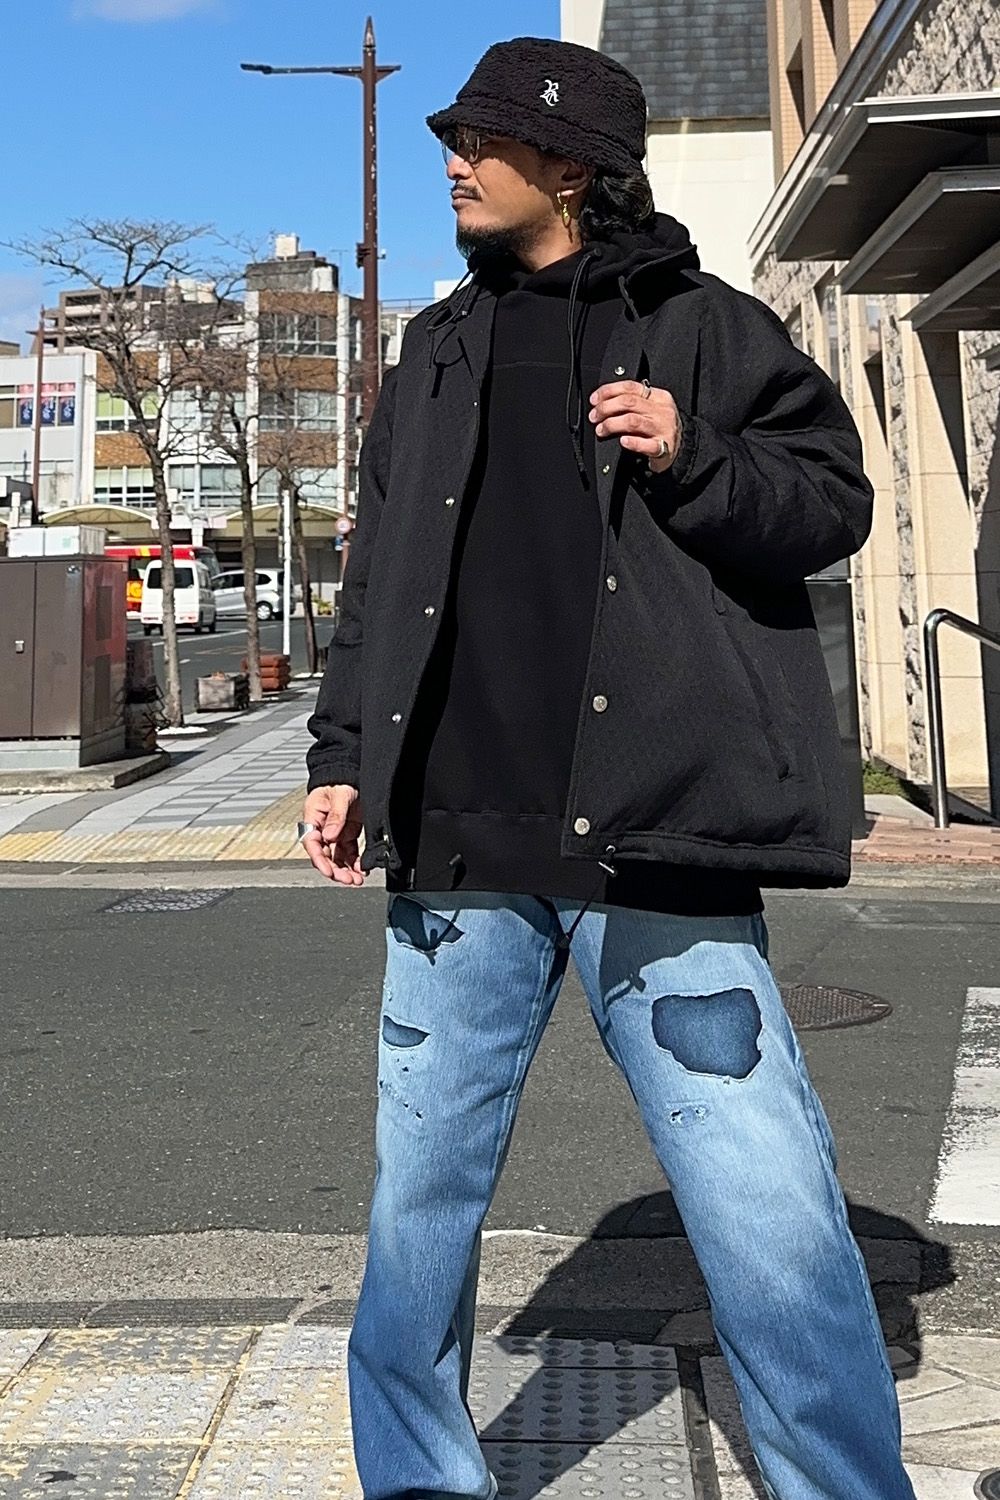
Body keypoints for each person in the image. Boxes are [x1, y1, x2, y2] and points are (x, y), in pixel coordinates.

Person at [302, 36, 915, 1500]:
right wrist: (344, 755)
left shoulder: (707, 328)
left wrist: (693, 451)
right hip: (457, 842)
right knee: (419, 1213)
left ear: (572, 166)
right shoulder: (435, 350)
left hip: (659, 840)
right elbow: (379, 577)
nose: (457, 159)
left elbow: (831, 504)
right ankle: (420, 1482)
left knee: (766, 1211)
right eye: (451, 138)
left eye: (485, 139)